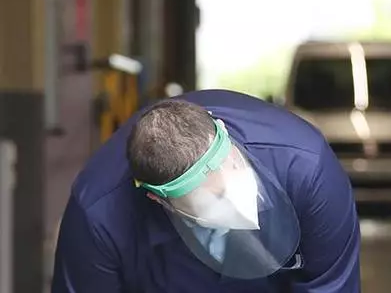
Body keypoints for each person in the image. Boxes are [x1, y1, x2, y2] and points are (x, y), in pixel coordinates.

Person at [51, 89, 361, 292]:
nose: (239, 208)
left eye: (234, 169)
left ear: (223, 131)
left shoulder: (307, 167)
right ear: (159, 199)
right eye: (214, 202)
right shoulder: (97, 216)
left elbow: (332, 286)